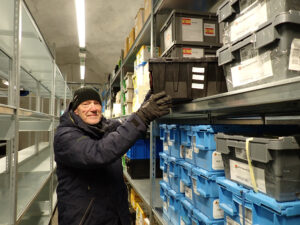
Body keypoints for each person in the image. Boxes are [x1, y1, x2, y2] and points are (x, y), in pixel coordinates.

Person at [54, 86, 172, 225]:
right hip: (84, 219)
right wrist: (143, 116)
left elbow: (129, 127)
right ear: (75, 111)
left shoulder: (105, 127)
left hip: (114, 214)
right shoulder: (65, 136)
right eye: (86, 104)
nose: (93, 108)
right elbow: (98, 153)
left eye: (97, 103)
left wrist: (149, 101)